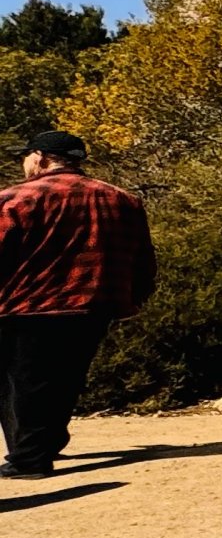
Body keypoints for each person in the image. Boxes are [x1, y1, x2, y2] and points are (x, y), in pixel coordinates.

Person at [0, 131, 157, 478]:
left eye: (25, 156)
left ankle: (29, 459)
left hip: (26, 305)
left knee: (21, 382)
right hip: (95, 304)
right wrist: (136, 296)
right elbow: (143, 256)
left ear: (40, 158)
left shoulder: (13, 199)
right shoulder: (123, 200)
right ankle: (45, 443)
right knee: (66, 377)